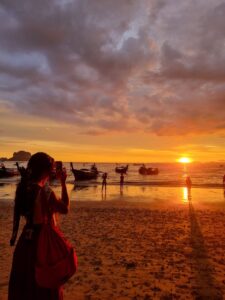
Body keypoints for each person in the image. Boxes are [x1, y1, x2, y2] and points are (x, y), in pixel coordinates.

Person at [8, 152, 69, 300]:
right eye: (52, 169)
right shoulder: (45, 191)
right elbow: (65, 208)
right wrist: (63, 183)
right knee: (45, 286)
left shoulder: (23, 189)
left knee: (25, 286)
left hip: (25, 243)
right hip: (42, 243)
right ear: (45, 171)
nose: (52, 172)